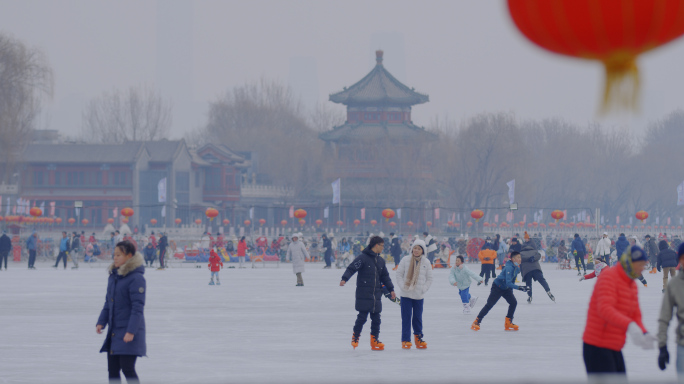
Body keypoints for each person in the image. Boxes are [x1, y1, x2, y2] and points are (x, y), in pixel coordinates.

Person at [582, 245, 655, 376]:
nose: (643, 269)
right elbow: (605, 309)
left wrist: (644, 333)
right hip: (597, 345)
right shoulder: (609, 277)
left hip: (614, 345)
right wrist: (630, 326)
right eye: (640, 264)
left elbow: (635, 315)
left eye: (644, 265)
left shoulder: (631, 284)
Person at [96, 240, 146, 383]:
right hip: (115, 331)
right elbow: (108, 303)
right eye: (114, 255)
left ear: (129, 256)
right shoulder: (114, 277)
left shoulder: (136, 278)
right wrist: (101, 322)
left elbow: (138, 308)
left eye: (119, 255)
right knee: (112, 370)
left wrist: (131, 331)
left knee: (127, 368)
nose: (115, 258)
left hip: (129, 332)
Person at [340, 236, 395, 351]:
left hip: (376, 294)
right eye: (382, 245)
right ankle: (355, 337)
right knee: (362, 317)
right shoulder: (363, 258)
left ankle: (374, 340)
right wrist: (345, 278)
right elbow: (351, 268)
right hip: (364, 293)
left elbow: (385, 277)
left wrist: (391, 290)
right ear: (376, 245)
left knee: (376, 319)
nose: (383, 248)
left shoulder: (380, 261)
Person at [471, 251, 529, 331]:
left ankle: (508, 322)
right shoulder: (509, 267)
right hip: (497, 287)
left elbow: (511, 282)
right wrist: (520, 288)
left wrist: (512, 291)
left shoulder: (517, 268)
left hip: (506, 288)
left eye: (520, 257)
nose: (520, 259)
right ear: (513, 259)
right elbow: (509, 282)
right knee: (489, 305)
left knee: (513, 302)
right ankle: (477, 321)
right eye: (518, 257)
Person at [395, 239, 433, 349]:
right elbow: (399, 275)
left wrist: (423, 288)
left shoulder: (426, 262)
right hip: (406, 295)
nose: (416, 250)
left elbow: (429, 278)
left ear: (423, 251)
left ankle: (418, 339)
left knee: (417, 318)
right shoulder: (405, 260)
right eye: (415, 248)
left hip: (418, 296)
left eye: (419, 249)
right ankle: (406, 340)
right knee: (406, 318)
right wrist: (403, 286)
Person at [657, 243, 684, 376]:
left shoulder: (663, 252)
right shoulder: (676, 285)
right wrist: (662, 346)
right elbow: (664, 318)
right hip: (682, 344)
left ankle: (664, 285)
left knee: (666, 277)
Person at [520, 239, 555, 304]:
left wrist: (523, 276)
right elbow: (539, 256)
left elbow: (520, 264)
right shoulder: (535, 251)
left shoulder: (521, 254)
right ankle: (548, 290)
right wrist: (533, 258)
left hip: (527, 271)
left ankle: (529, 296)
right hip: (536, 269)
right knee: (542, 280)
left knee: (528, 284)